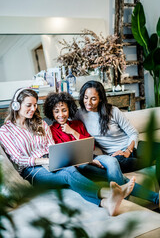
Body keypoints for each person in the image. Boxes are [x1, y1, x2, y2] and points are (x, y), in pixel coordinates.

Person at [0, 88, 136, 216]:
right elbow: (18, 159)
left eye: (35, 105)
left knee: (100, 171)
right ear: (16, 105)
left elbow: (52, 146)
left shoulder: (40, 123)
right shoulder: (5, 131)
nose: (33, 109)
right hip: (32, 171)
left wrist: (78, 158)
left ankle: (148, 197)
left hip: (53, 161)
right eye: (28, 105)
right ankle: (108, 195)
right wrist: (45, 161)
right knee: (69, 172)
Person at [43, 91, 159, 206]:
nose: (61, 114)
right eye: (56, 111)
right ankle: (150, 199)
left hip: (92, 156)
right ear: (51, 113)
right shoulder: (51, 130)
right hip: (78, 164)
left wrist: (72, 132)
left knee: (112, 161)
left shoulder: (77, 124)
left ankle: (125, 200)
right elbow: (62, 156)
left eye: (64, 110)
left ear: (69, 110)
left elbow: (91, 145)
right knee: (119, 178)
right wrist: (90, 161)